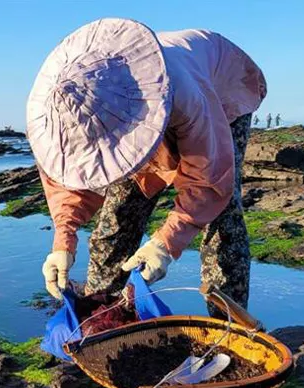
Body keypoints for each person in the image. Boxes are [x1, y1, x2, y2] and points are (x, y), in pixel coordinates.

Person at [27, 19, 266, 316]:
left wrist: (165, 244)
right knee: (118, 213)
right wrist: (63, 242)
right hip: (126, 103)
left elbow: (208, 181)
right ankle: (104, 311)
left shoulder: (188, 95)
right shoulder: (64, 111)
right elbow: (68, 177)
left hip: (221, 84)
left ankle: (229, 321)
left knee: (222, 216)